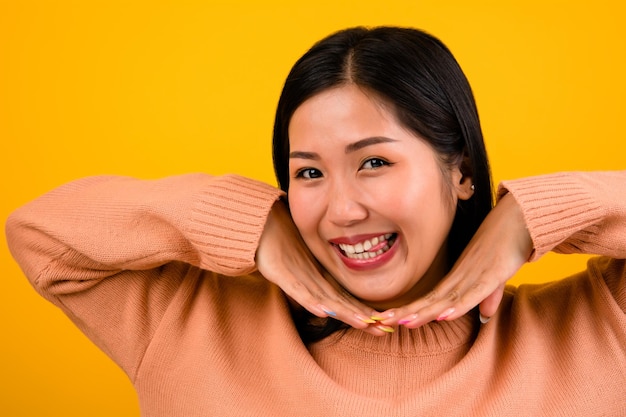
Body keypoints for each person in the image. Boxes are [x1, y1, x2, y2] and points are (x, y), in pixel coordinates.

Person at [6, 26, 625, 416]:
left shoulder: (598, 327)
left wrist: (529, 218)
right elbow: (40, 231)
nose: (342, 209)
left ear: (460, 172)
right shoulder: (186, 322)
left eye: (375, 161)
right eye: (308, 173)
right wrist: (247, 222)